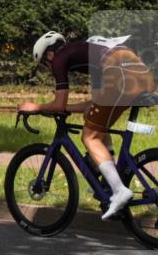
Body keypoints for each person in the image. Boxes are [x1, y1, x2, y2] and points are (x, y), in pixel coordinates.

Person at [19, 31, 156, 220]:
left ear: (49, 54)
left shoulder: (59, 58)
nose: (48, 69)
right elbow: (94, 103)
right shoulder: (92, 54)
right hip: (142, 77)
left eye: (44, 64)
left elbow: (58, 104)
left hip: (120, 75)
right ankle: (109, 178)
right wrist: (66, 108)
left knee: (89, 137)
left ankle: (119, 191)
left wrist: (36, 107)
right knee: (93, 119)